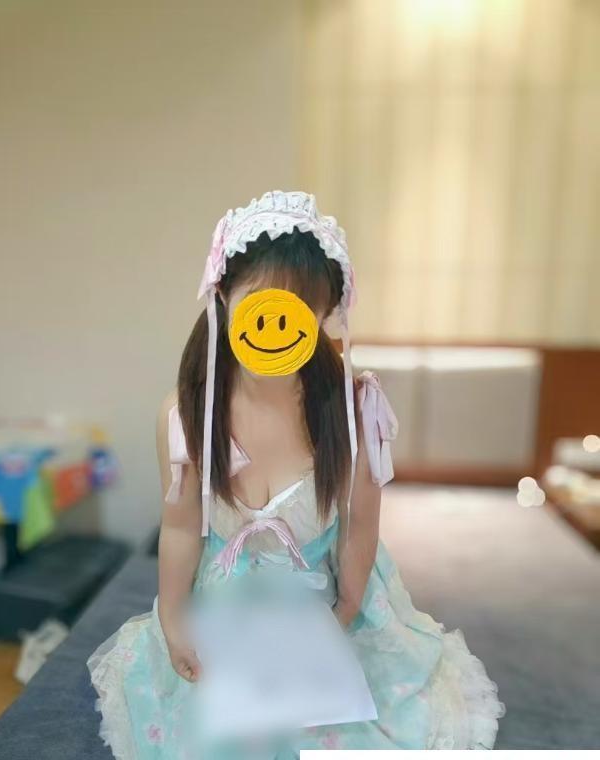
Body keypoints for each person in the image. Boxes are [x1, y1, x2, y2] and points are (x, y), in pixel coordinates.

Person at [87, 190, 505, 758]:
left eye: (301, 309)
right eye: (261, 303)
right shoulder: (185, 415)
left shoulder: (354, 412)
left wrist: (346, 610)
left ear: (325, 316)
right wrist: (174, 621)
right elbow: (181, 527)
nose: (279, 326)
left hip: (327, 602)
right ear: (222, 297)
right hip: (227, 606)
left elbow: (360, 527)